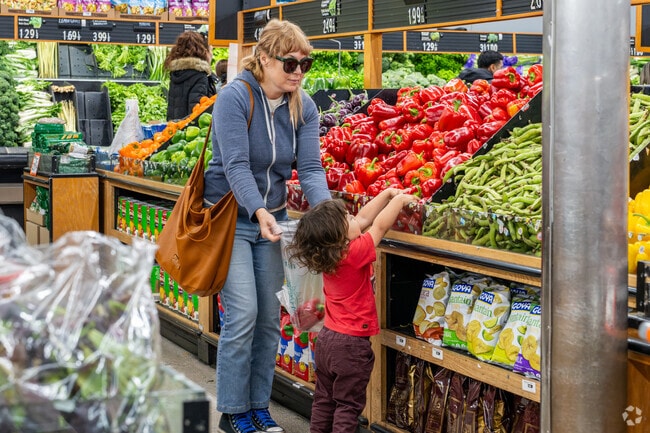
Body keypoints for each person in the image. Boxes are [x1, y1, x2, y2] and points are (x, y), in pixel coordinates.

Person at [203, 18, 331, 433]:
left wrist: (329, 213)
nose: (298, 72)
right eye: (289, 63)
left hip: (272, 221)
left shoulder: (303, 105)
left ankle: (259, 406)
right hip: (230, 220)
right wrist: (258, 211)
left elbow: (310, 168)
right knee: (243, 314)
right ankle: (232, 412)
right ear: (263, 58)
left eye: (305, 65)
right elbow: (236, 165)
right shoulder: (234, 98)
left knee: (269, 318)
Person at [286, 189, 418, 433]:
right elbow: (377, 226)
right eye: (347, 218)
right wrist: (398, 200)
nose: (353, 218)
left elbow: (364, 219)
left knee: (324, 398)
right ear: (339, 235)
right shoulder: (354, 253)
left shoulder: (330, 254)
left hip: (327, 340)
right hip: (351, 346)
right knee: (348, 405)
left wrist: (386, 193)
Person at [164, 31, 216, 121]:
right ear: (204, 51)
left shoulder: (176, 74)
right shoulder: (200, 76)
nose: (211, 54)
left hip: (174, 128)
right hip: (190, 131)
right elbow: (196, 112)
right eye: (211, 50)